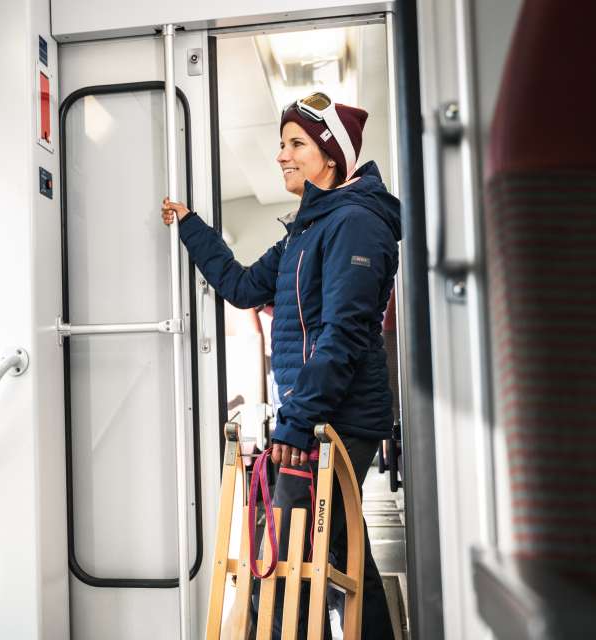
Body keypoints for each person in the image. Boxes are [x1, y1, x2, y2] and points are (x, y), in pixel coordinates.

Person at [161, 92, 399, 639]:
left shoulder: (356, 224)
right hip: (314, 417)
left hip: (335, 419)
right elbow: (244, 286)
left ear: (330, 156)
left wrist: (295, 422)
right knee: (338, 550)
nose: (282, 155)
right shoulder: (307, 229)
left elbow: (341, 338)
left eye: (295, 144)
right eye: (282, 144)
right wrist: (191, 225)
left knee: (285, 553)